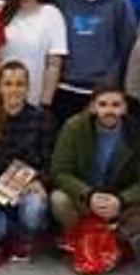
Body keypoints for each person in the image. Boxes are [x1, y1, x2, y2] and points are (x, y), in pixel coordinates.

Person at [49, 84, 140, 265]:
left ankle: (117, 240)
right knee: (58, 200)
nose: (109, 110)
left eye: (116, 105)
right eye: (103, 104)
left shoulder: (136, 132)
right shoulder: (74, 127)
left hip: (120, 202)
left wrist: (121, 200)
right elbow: (59, 171)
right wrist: (89, 195)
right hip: (85, 198)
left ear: (124, 108)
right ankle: (80, 238)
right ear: (92, 107)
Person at [0, 61, 54, 259]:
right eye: (8, 84)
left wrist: (40, 181)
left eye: (19, 84)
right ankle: (7, 232)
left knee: (35, 207)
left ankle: (25, 236)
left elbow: (51, 160)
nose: (14, 89)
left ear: (27, 88)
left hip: (26, 192)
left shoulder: (42, 118)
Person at [57, 0, 136, 128]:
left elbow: (127, 45)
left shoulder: (118, 1)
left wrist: (114, 81)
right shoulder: (65, 0)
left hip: (104, 91)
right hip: (67, 88)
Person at [2, 0, 68, 108]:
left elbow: (54, 64)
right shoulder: (0, 11)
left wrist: (45, 103)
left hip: (34, 101)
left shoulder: (52, 14)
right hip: (0, 100)